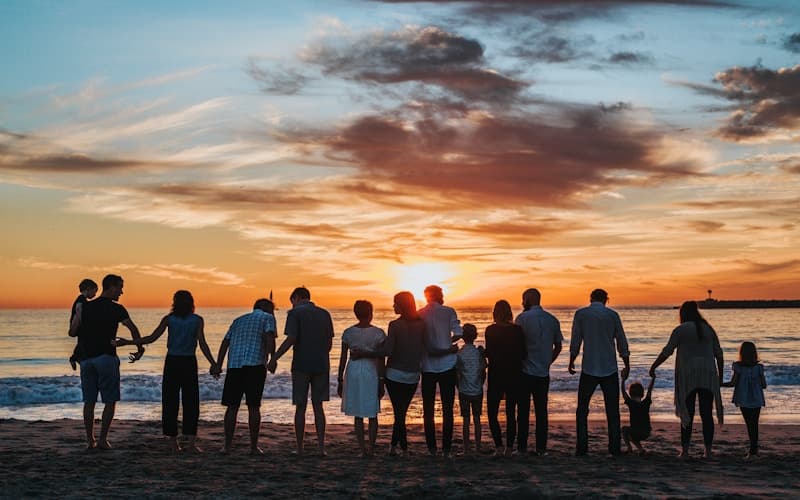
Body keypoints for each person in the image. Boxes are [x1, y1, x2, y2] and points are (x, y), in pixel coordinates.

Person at [114, 290, 217, 452]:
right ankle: (190, 443)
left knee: (170, 401)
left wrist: (128, 342)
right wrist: (213, 363)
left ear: (175, 303)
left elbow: (151, 338)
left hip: (172, 362)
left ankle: (173, 442)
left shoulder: (170, 319)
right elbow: (202, 344)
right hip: (189, 362)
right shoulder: (197, 320)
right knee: (191, 402)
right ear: (191, 303)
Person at [68, 274, 144, 449]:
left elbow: (73, 331)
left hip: (86, 360)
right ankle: (102, 439)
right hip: (105, 358)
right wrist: (139, 348)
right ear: (111, 287)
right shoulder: (117, 309)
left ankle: (90, 441)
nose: (121, 292)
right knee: (110, 400)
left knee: (89, 402)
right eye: (120, 288)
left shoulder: (85, 306)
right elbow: (132, 328)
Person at [650, 300, 724, 459]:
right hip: (707, 374)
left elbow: (667, 351)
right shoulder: (708, 329)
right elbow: (719, 354)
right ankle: (708, 451)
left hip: (687, 375)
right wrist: (720, 376)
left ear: (682, 314)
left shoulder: (680, 330)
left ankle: (685, 451)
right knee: (706, 414)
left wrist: (654, 366)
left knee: (687, 412)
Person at [268, 287, 334, 456]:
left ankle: (299, 448)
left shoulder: (295, 313)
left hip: (301, 364)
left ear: (296, 298)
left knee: (300, 406)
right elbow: (329, 343)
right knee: (318, 406)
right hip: (321, 364)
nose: (292, 305)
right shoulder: (325, 314)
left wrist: (274, 357)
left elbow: (291, 338)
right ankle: (321, 448)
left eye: (292, 301)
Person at [568, 288, 630, 456]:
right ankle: (614, 449)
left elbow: (576, 340)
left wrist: (572, 360)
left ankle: (582, 448)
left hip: (589, 367)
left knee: (582, 410)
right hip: (609, 367)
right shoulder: (613, 315)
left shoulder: (581, 314)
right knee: (612, 411)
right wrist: (626, 363)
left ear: (590, 299)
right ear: (606, 300)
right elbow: (621, 341)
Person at [213, 298, 277, 455]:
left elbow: (225, 343)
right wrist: (272, 358)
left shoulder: (238, 320)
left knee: (232, 407)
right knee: (253, 406)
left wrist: (218, 364)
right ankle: (253, 447)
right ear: (267, 308)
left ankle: (227, 446)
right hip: (255, 365)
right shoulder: (268, 317)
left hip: (234, 366)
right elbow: (270, 336)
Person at [515, 288, 562, 456]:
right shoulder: (552, 319)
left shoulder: (522, 318)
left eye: (523, 299)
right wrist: (548, 362)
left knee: (523, 411)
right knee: (542, 412)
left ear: (528, 299)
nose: (522, 302)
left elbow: (516, 344)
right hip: (543, 372)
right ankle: (541, 448)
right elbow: (558, 346)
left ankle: (522, 448)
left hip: (525, 371)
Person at [337, 300, 386, 457]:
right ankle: (371, 449)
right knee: (372, 412)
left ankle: (362, 450)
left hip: (353, 370)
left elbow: (343, 358)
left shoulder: (348, 333)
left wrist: (340, 379)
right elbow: (381, 358)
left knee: (358, 413)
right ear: (370, 313)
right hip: (371, 370)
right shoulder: (378, 333)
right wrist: (382, 380)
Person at [418, 284, 463, 458]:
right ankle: (446, 449)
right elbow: (458, 333)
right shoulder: (449, 311)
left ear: (427, 296)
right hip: (447, 365)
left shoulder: (420, 314)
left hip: (427, 367)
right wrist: (447, 342)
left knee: (428, 409)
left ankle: (432, 449)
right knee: (447, 408)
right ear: (440, 295)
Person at [382, 291, 426, 456]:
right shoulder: (422, 324)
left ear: (402, 305)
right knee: (401, 412)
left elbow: (388, 351)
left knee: (399, 412)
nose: (393, 306)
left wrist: (371, 350)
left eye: (395, 303)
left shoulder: (394, 325)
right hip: (412, 374)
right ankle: (395, 447)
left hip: (394, 374)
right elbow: (425, 347)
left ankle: (401, 447)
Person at [484, 299, 526, 457]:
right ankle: (509, 448)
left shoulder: (490, 330)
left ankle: (498, 447)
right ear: (509, 313)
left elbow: (490, 353)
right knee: (510, 413)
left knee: (492, 413)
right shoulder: (517, 330)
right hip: (514, 374)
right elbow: (523, 353)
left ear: (495, 313)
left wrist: (482, 352)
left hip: (496, 374)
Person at [721, 341, 766, 458]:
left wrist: (720, 384)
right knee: (754, 424)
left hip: (743, 398)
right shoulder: (759, 367)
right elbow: (764, 385)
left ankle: (752, 451)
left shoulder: (738, 367)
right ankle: (753, 450)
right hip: (756, 398)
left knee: (749, 423)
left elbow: (733, 383)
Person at [455, 323, 486, 456]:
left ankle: (466, 449)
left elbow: (457, 374)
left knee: (466, 421)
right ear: (475, 336)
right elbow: (483, 371)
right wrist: (480, 384)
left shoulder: (459, 353)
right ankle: (478, 447)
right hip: (477, 390)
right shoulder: (478, 353)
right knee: (477, 419)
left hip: (464, 390)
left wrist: (459, 387)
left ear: (462, 337)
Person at [68, 278, 98, 370]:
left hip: (79, 324)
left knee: (82, 342)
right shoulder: (81, 300)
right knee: (83, 342)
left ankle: (76, 357)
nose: (95, 294)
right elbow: (79, 309)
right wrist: (82, 321)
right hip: (79, 325)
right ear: (88, 289)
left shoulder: (81, 299)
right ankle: (74, 358)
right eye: (95, 291)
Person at [621, 376, 655, 455]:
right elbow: (649, 390)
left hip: (636, 431)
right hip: (646, 432)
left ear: (630, 394)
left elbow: (623, 392)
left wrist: (623, 380)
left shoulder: (631, 403)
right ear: (642, 394)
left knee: (624, 430)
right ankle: (641, 450)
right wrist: (653, 378)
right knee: (631, 434)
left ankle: (629, 447)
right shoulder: (646, 402)